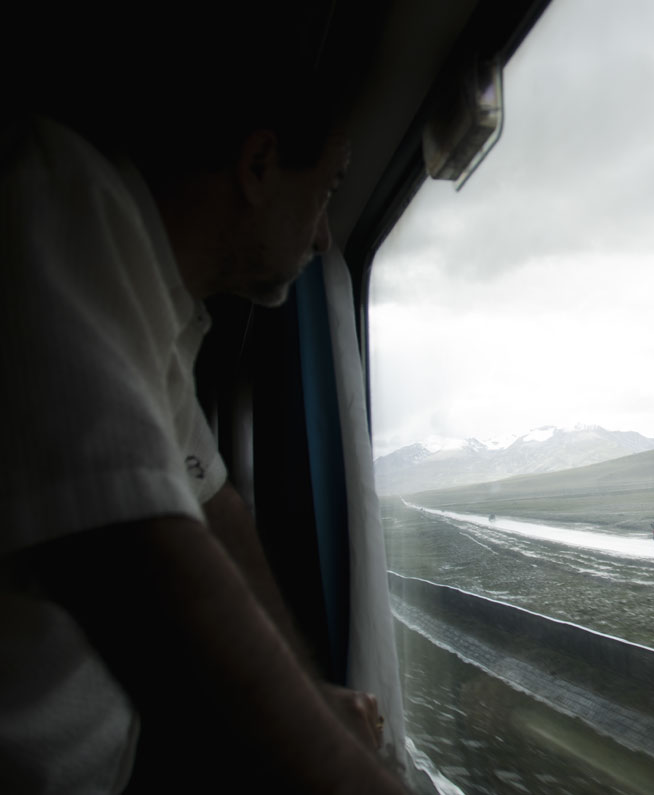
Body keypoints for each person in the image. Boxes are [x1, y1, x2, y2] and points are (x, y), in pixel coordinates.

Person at [0, 17, 407, 795]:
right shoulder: (56, 197)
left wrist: (315, 695)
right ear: (258, 165)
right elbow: (144, 571)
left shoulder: (157, 307)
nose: (327, 236)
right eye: (326, 192)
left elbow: (217, 511)